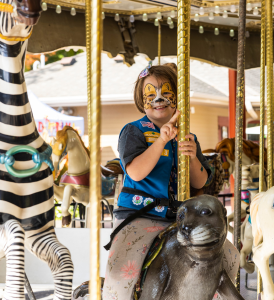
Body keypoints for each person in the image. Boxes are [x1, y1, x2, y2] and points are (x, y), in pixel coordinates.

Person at [102, 62, 239, 300]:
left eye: (166, 92)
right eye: (150, 93)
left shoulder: (187, 135)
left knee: (228, 254)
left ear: (178, 96)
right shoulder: (133, 131)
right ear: (141, 99)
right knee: (124, 269)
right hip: (139, 214)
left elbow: (200, 181)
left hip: (179, 219)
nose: (158, 98)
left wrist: (192, 156)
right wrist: (161, 141)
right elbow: (135, 172)